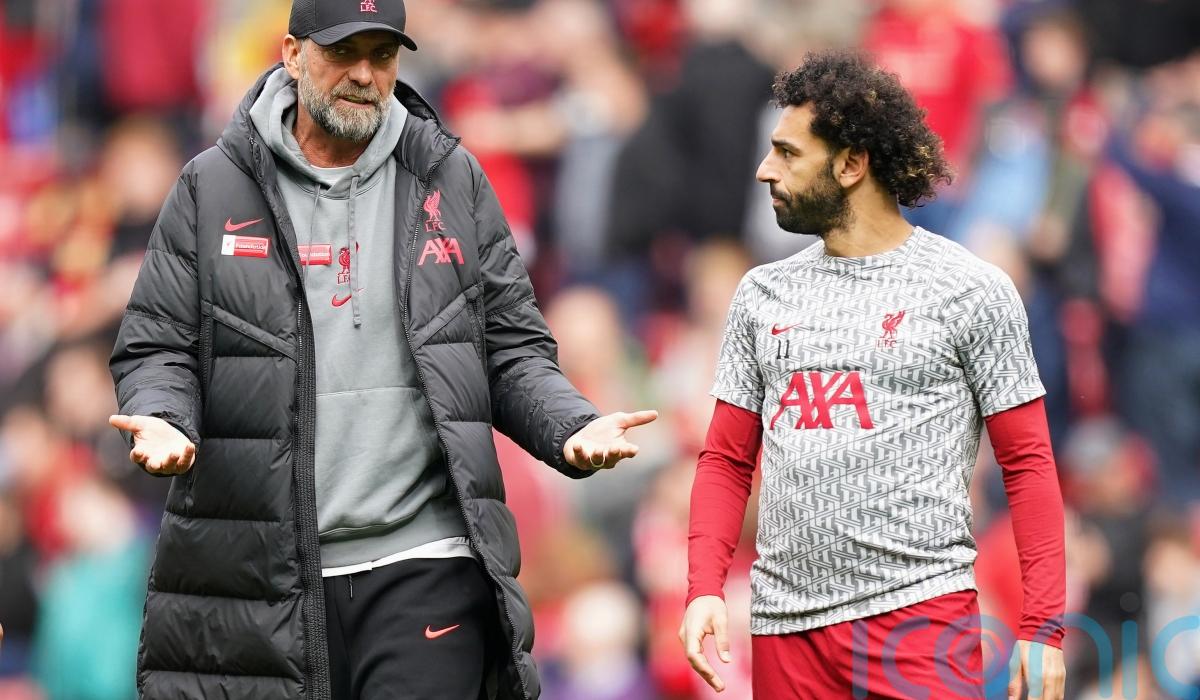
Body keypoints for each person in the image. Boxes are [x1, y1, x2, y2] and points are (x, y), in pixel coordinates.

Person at [107, 1, 656, 698]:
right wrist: (163, 415)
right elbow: (158, 343)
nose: (365, 75)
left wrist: (568, 424)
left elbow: (510, 347)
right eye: (343, 52)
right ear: (292, 54)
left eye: (383, 55)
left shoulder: (452, 179)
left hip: (425, 561)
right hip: (264, 575)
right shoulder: (210, 188)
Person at [678, 51, 1067, 699]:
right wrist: (703, 588)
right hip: (785, 635)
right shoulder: (760, 295)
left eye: (787, 153)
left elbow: (1027, 462)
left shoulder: (970, 290)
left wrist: (1043, 625)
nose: (765, 169)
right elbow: (725, 458)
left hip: (919, 624)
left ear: (852, 164)